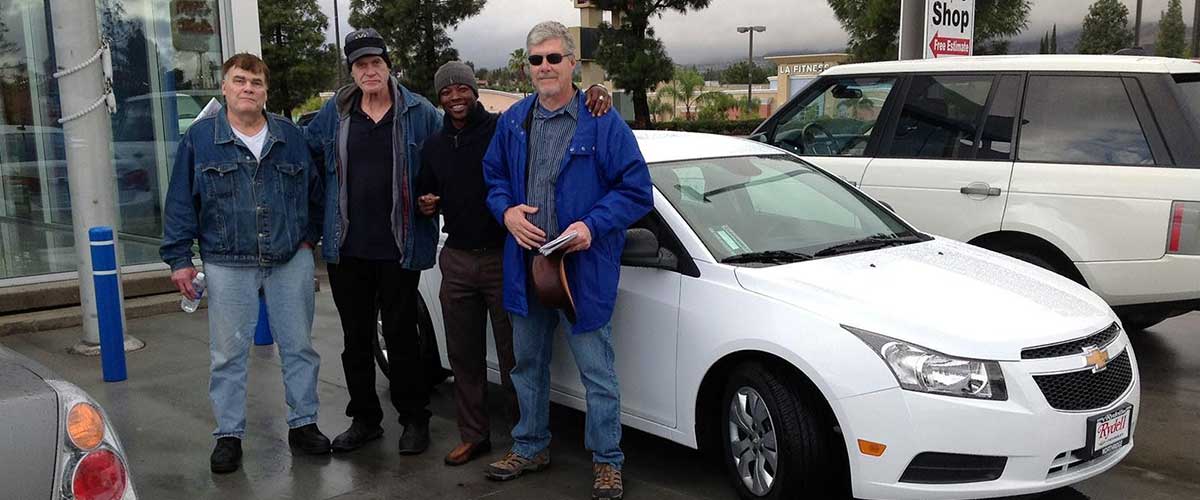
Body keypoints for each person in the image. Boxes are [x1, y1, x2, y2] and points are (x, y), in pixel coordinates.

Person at [480, 21, 653, 500]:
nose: (545, 68)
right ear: (526, 67)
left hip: (582, 271)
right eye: (536, 61)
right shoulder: (514, 122)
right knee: (527, 364)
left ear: (572, 63)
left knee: (597, 371)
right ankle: (530, 446)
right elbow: (493, 179)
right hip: (527, 266)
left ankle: (607, 461)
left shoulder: (601, 120)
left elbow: (637, 190)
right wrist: (507, 211)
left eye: (554, 58)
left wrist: (592, 226)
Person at [415, 61, 611, 466]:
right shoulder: (434, 146)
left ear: (475, 90)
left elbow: (553, 109)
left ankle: (526, 440)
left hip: (505, 259)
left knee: (516, 358)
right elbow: (429, 191)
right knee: (465, 355)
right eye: (446, 92)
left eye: (462, 88)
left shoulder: (504, 128)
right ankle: (478, 437)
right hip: (457, 258)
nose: (455, 97)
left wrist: (598, 90)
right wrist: (426, 202)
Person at [160, 53, 329, 474]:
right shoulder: (199, 140)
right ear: (224, 87)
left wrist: (308, 240)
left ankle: (303, 424)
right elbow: (181, 201)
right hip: (226, 261)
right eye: (239, 80)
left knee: (299, 348)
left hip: (290, 259)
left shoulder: (292, 136)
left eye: (255, 81)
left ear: (265, 91)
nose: (248, 88)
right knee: (227, 355)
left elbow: (317, 192)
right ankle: (229, 435)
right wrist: (179, 259)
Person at [304, 28, 442, 455]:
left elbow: (448, 157)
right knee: (356, 340)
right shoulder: (336, 112)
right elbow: (306, 153)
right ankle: (365, 419)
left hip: (400, 246)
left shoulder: (419, 111)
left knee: (402, 338)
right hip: (347, 249)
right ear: (352, 71)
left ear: (388, 64)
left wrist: (437, 196)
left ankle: (414, 419)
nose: (369, 71)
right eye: (361, 64)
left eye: (376, 62)